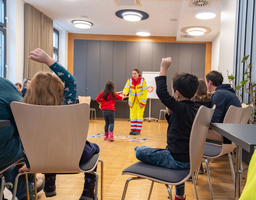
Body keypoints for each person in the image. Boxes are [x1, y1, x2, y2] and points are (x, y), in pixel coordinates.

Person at [19, 48, 100, 200]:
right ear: (59, 91)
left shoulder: (24, 109)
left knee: (48, 145)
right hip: (73, 158)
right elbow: (71, 81)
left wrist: (27, 160)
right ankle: (88, 192)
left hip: (38, 159)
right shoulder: (66, 104)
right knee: (94, 148)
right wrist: (49, 60)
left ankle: (49, 182)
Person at [136, 57, 199, 200]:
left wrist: (163, 67)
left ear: (177, 94)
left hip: (176, 160)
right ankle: (179, 195)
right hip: (189, 158)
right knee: (160, 151)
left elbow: (162, 94)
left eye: (173, 91)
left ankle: (147, 159)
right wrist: (170, 113)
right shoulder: (194, 108)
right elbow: (180, 128)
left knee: (140, 151)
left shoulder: (182, 108)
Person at [0, 79, 44, 200]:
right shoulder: (4, 86)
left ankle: (24, 188)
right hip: (3, 153)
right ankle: (26, 186)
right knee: (24, 140)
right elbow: (25, 122)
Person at [205, 70, 241, 143]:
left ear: (210, 82)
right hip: (233, 133)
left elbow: (215, 120)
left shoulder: (219, 95)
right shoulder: (229, 93)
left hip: (225, 135)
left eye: (205, 82)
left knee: (193, 131)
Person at [122, 68, 148, 135]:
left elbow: (145, 92)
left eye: (135, 73)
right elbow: (126, 88)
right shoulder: (129, 80)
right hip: (132, 102)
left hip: (140, 102)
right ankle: (133, 130)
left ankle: (138, 130)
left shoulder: (142, 81)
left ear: (138, 74)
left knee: (139, 116)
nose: (133, 75)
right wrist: (124, 94)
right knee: (132, 116)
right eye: (132, 73)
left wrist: (142, 102)